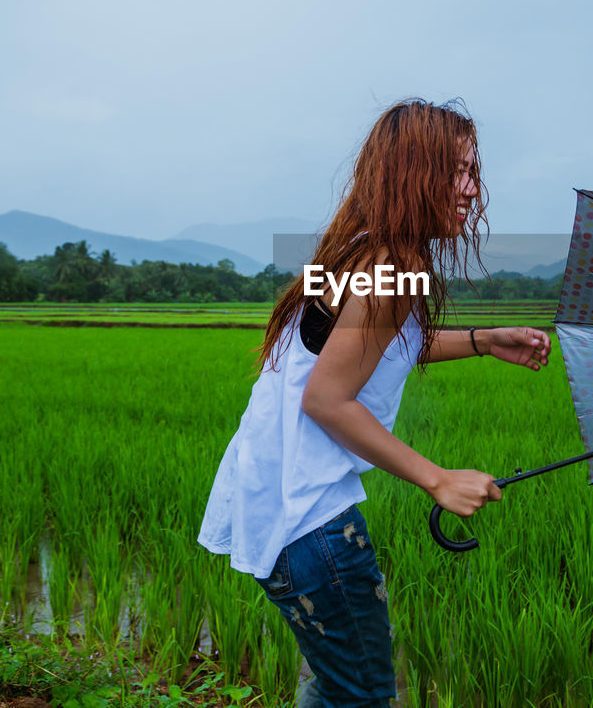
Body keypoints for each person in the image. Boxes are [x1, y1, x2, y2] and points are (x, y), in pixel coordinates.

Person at [197, 98, 551, 707]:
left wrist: (484, 341)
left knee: (340, 687)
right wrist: (438, 478)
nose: (472, 190)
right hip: (312, 521)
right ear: (413, 171)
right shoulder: (389, 262)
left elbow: (373, 349)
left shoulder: (364, 248)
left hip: (278, 508)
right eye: (458, 171)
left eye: (474, 172)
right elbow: (328, 398)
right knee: (360, 695)